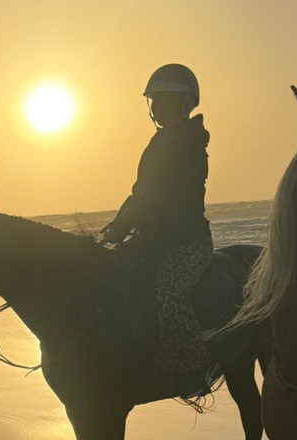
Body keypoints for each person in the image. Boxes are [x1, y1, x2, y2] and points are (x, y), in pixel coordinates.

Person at [102, 64, 215, 394]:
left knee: (169, 297)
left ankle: (196, 369)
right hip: (154, 240)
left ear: (184, 103)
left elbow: (162, 199)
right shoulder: (157, 143)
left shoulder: (191, 144)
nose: (157, 106)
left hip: (187, 242)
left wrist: (129, 226)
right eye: (154, 100)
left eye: (165, 99)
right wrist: (116, 225)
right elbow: (139, 193)